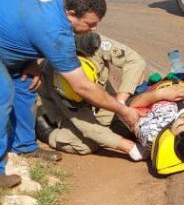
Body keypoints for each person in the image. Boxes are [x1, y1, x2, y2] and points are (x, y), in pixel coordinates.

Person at [0, 0, 142, 195]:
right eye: (90, 24)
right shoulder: (54, 31)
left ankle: (24, 146)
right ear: (71, 13)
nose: (94, 29)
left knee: (26, 81)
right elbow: (82, 87)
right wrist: (123, 110)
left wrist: (28, 58)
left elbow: (25, 24)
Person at [36, 32, 147, 160]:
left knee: (123, 124)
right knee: (87, 145)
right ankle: (45, 129)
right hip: (62, 107)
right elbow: (88, 128)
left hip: (99, 98)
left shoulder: (92, 44)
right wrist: (130, 147)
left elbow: (134, 61)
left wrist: (120, 103)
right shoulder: (59, 82)